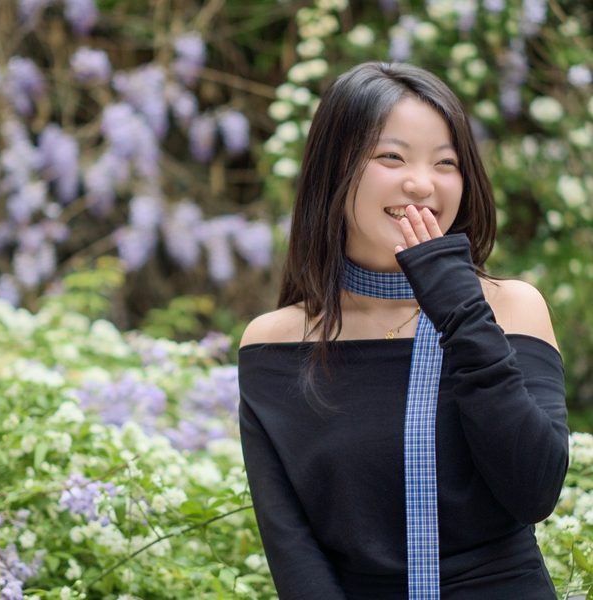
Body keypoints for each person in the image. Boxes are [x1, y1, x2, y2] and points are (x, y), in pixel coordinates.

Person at [237, 61, 569, 600]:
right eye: (391, 157)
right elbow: (293, 548)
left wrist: (459, 308)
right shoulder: (274, 342)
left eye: (446, 162)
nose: (421, 183)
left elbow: (534, 490)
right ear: (334, 170)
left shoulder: (512, 309)